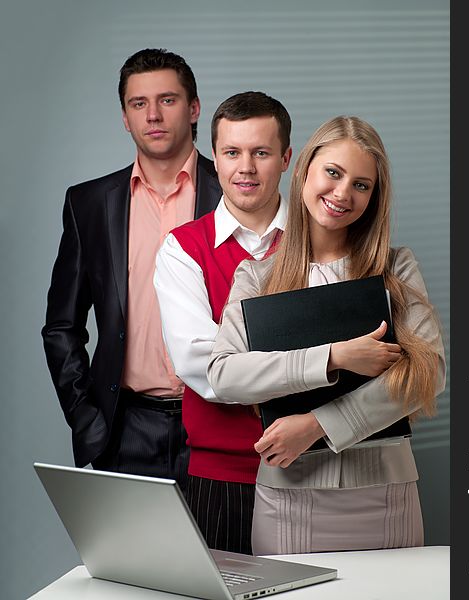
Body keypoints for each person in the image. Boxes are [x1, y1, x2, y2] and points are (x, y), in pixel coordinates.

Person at [207, 115, 446, 554]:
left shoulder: (397, 269)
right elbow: (223, 375)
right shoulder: (256, 277)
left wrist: (316, 425)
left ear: (374, 198)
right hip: (287, 496)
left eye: (361, 185)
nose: (342, 194)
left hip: (385, 495)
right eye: (333, 173)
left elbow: (428, 375)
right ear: (303, 171)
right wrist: (332, 357)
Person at [41, 48, 221, 490]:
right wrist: (88, 419)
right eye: (139, 104)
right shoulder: (89, 204)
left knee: (228, 558)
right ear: (125, 117)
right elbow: (61, 326)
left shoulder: (232, 194)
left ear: (195, 107)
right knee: (135, 562)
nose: (153, 116)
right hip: (125, 428)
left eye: (168, 100)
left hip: (219, 421)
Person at [154, 91, 292, 554]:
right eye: (232, 152)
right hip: (222, 476)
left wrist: (249, 369)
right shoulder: (182, 249)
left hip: (319, 472)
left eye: (261, 152)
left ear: (287, 158)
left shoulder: (324, 241)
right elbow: (204, 365)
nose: (246, 167)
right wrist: (309, 369)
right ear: (216, 158)